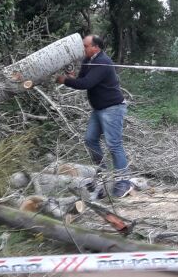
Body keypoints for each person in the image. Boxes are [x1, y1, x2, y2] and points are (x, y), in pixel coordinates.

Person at [55, 35, 132, 198]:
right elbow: (81, 80)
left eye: (85, 46)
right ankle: (102, 174)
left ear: (96, 47)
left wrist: (64, 81)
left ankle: (123, 183)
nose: (82, 48)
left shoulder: (103, 62)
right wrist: (70, 76)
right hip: (99, 109)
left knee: (114, 145)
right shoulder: (88, 60)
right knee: (90, 140)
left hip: (113, 108)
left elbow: (86, 84)